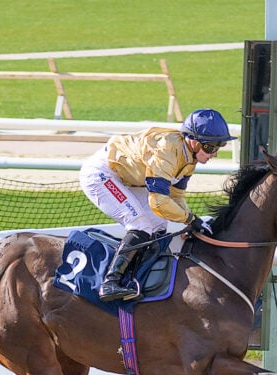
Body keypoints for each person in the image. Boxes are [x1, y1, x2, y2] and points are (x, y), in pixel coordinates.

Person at [79, 108, 236, 302]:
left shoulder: (189, 157)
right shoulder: (166, 152)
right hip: (102, 174)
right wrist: (190, 219)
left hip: (127, 179)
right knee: (140, 224)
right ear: (194, 142)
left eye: (220, 146)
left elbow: (175, 196)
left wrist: (191, 219)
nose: (215, 153)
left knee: (159, 224)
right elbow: (159, 202)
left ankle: (137, 278)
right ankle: (111, 282)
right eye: (211, 147)